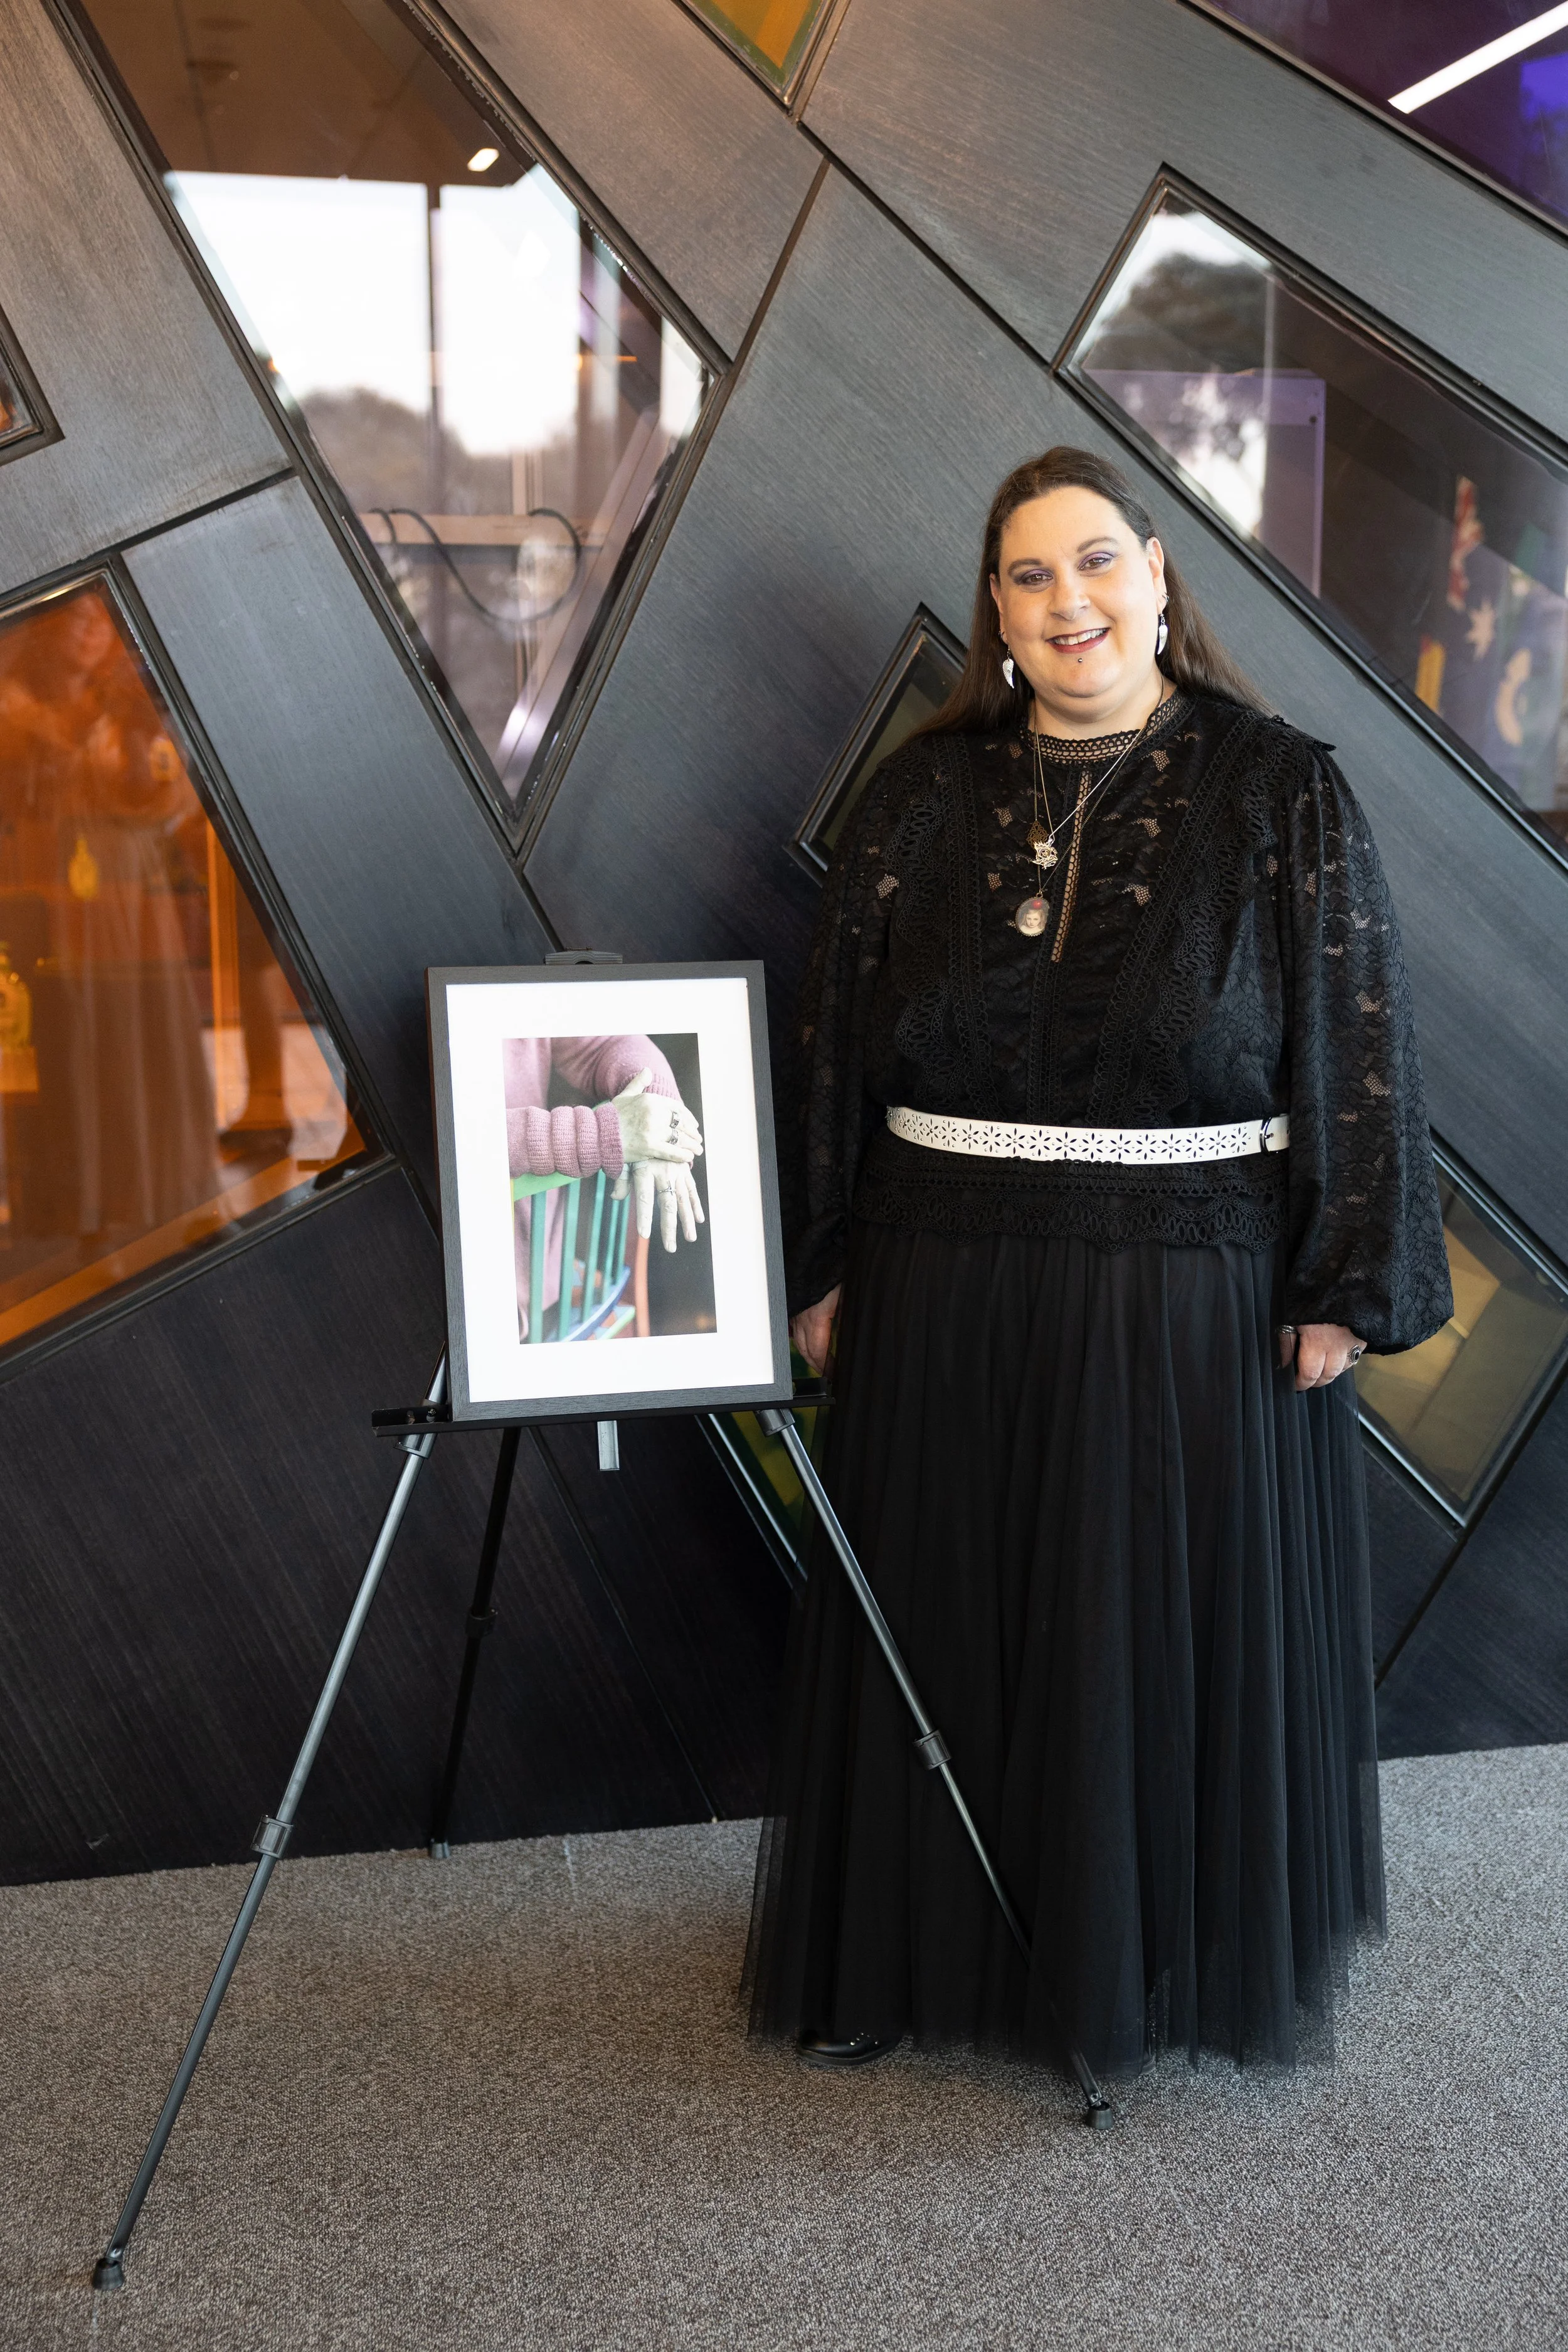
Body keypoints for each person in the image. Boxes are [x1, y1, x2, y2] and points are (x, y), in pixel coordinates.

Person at [746, 447, 1453, 2083]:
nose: (1066, 601)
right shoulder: (921, 798)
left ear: (1154, 571)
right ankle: (901, 1948)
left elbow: (1358, 1039)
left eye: (1091, 564)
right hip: (938, 1270)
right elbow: (836, 1036)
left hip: (1187, 1283)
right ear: (992, 612)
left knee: (1132, 1634)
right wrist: (825, 1253)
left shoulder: (1280, 788)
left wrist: (1341, 1278)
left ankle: (1138, 1969)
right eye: (1025, 577)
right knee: (938, 1615)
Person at [502, 1035, 702, 1340]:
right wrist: (602, 1134)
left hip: (547, 1271)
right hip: (475, 1301)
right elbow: (455, 1144)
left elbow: (607, 1040)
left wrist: (659, 1109)